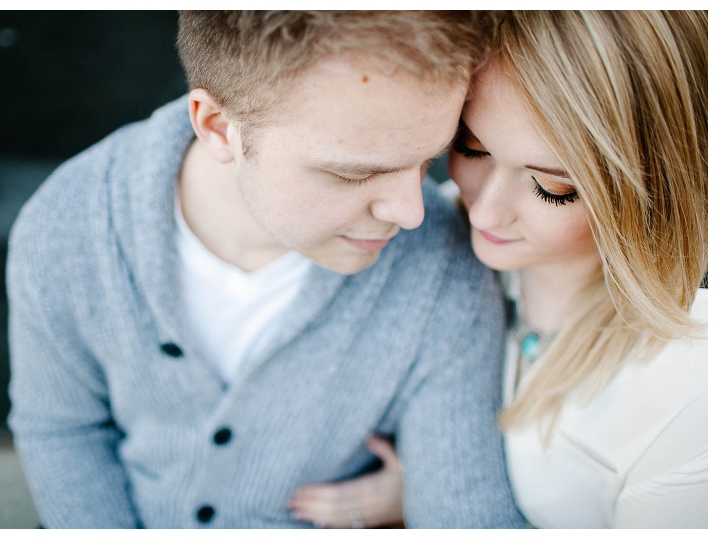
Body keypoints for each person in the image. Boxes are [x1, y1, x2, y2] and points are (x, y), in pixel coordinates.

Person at [6, 11, 526, 528]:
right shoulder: (69, 228)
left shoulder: (442, 271)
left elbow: (465, 509)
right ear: (217, 128)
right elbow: (63, 431)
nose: (411, 213)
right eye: (355, 173)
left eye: (428, 160)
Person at [288, 10, 708, 529]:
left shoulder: (692, 391)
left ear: (658, 181)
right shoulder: (427, 238)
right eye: (470, 147)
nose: (483, 211)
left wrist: (430, 495)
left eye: (553, 188)